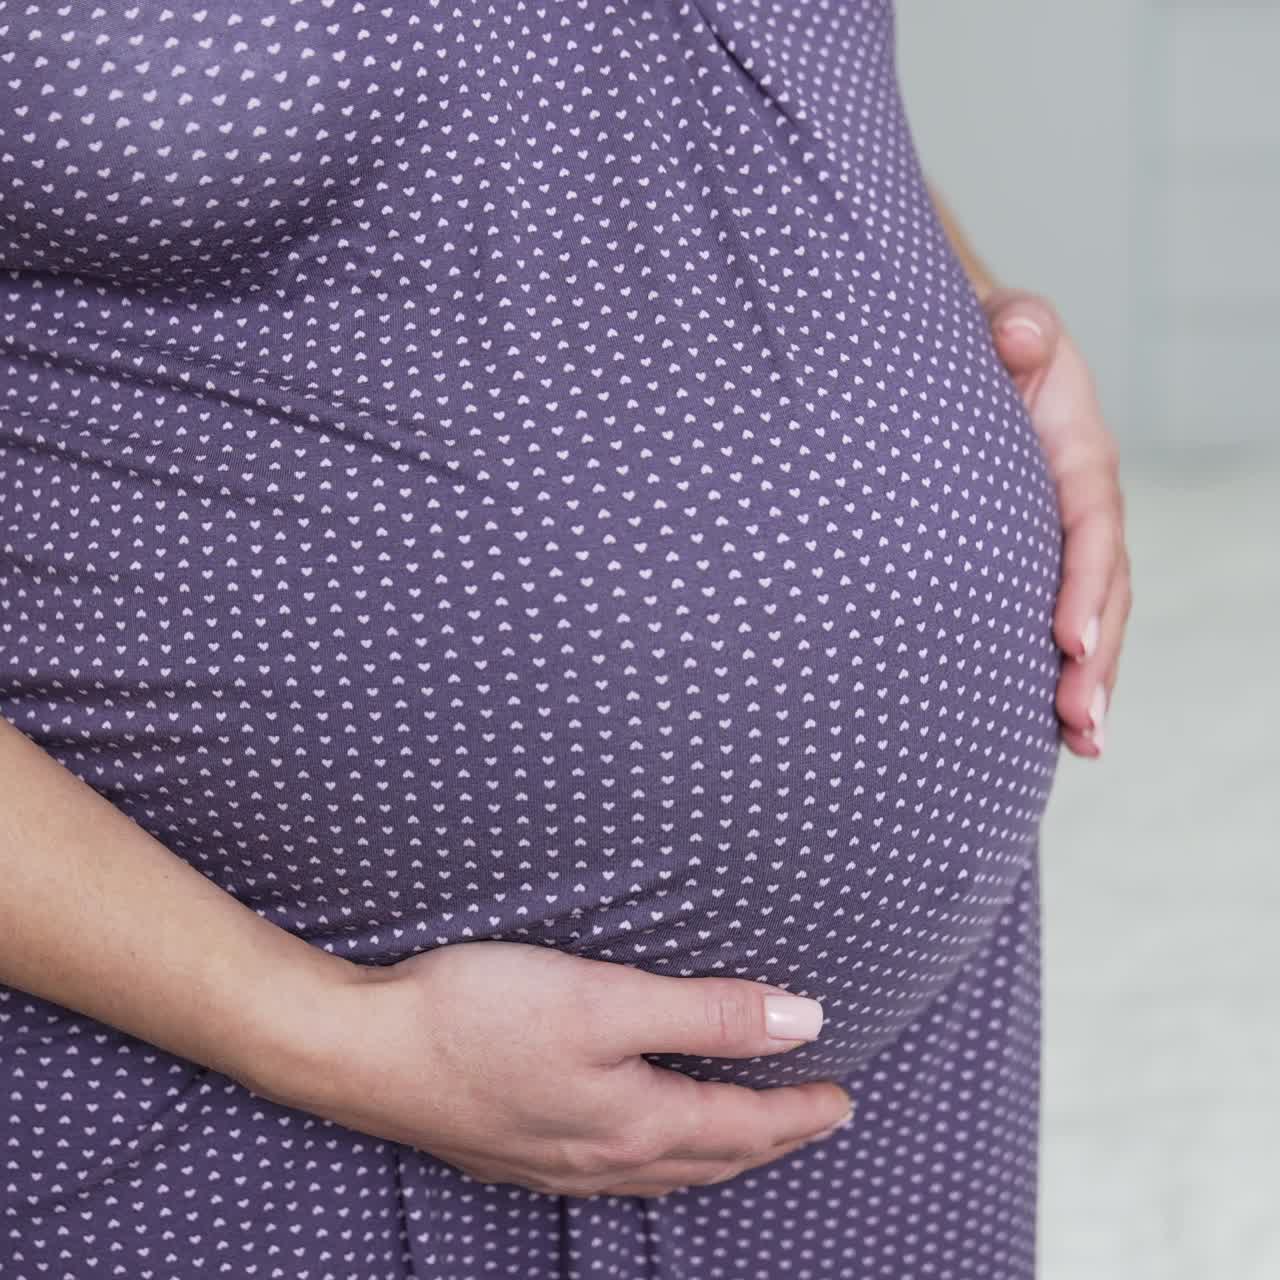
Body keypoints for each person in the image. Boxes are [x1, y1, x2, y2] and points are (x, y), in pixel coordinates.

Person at [0, 2, 1130, 1277]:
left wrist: (985, 331)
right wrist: (307, 1030)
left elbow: (722, 105)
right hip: (216, 1070)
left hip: (879, 1091)